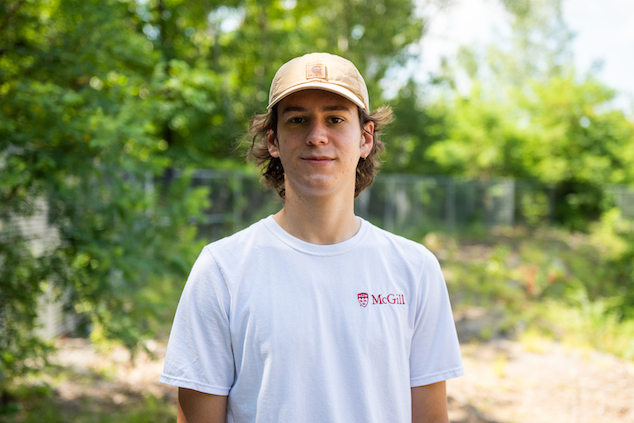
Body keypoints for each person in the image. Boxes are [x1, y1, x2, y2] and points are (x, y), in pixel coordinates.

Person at [160, 52, 464, 423]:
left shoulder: (415, 269)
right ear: (273, 140)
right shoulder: (222, 269)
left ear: (365, 139)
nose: (317, 136)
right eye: (297, 120)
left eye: (335, 119)